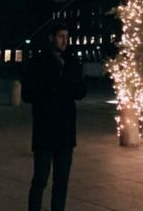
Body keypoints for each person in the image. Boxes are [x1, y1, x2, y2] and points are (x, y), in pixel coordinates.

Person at [22, 21, 86, 211]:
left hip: (66, 130)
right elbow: (27, 94)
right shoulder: (37, 63)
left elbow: (81, 92)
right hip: (45, 128)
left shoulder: (72, 63)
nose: (65, 41)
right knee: (40, 179)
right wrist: (51, 89)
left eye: (67, 37)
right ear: (51, 38)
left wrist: (73, 85)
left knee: (62, 181)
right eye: (60, 36)